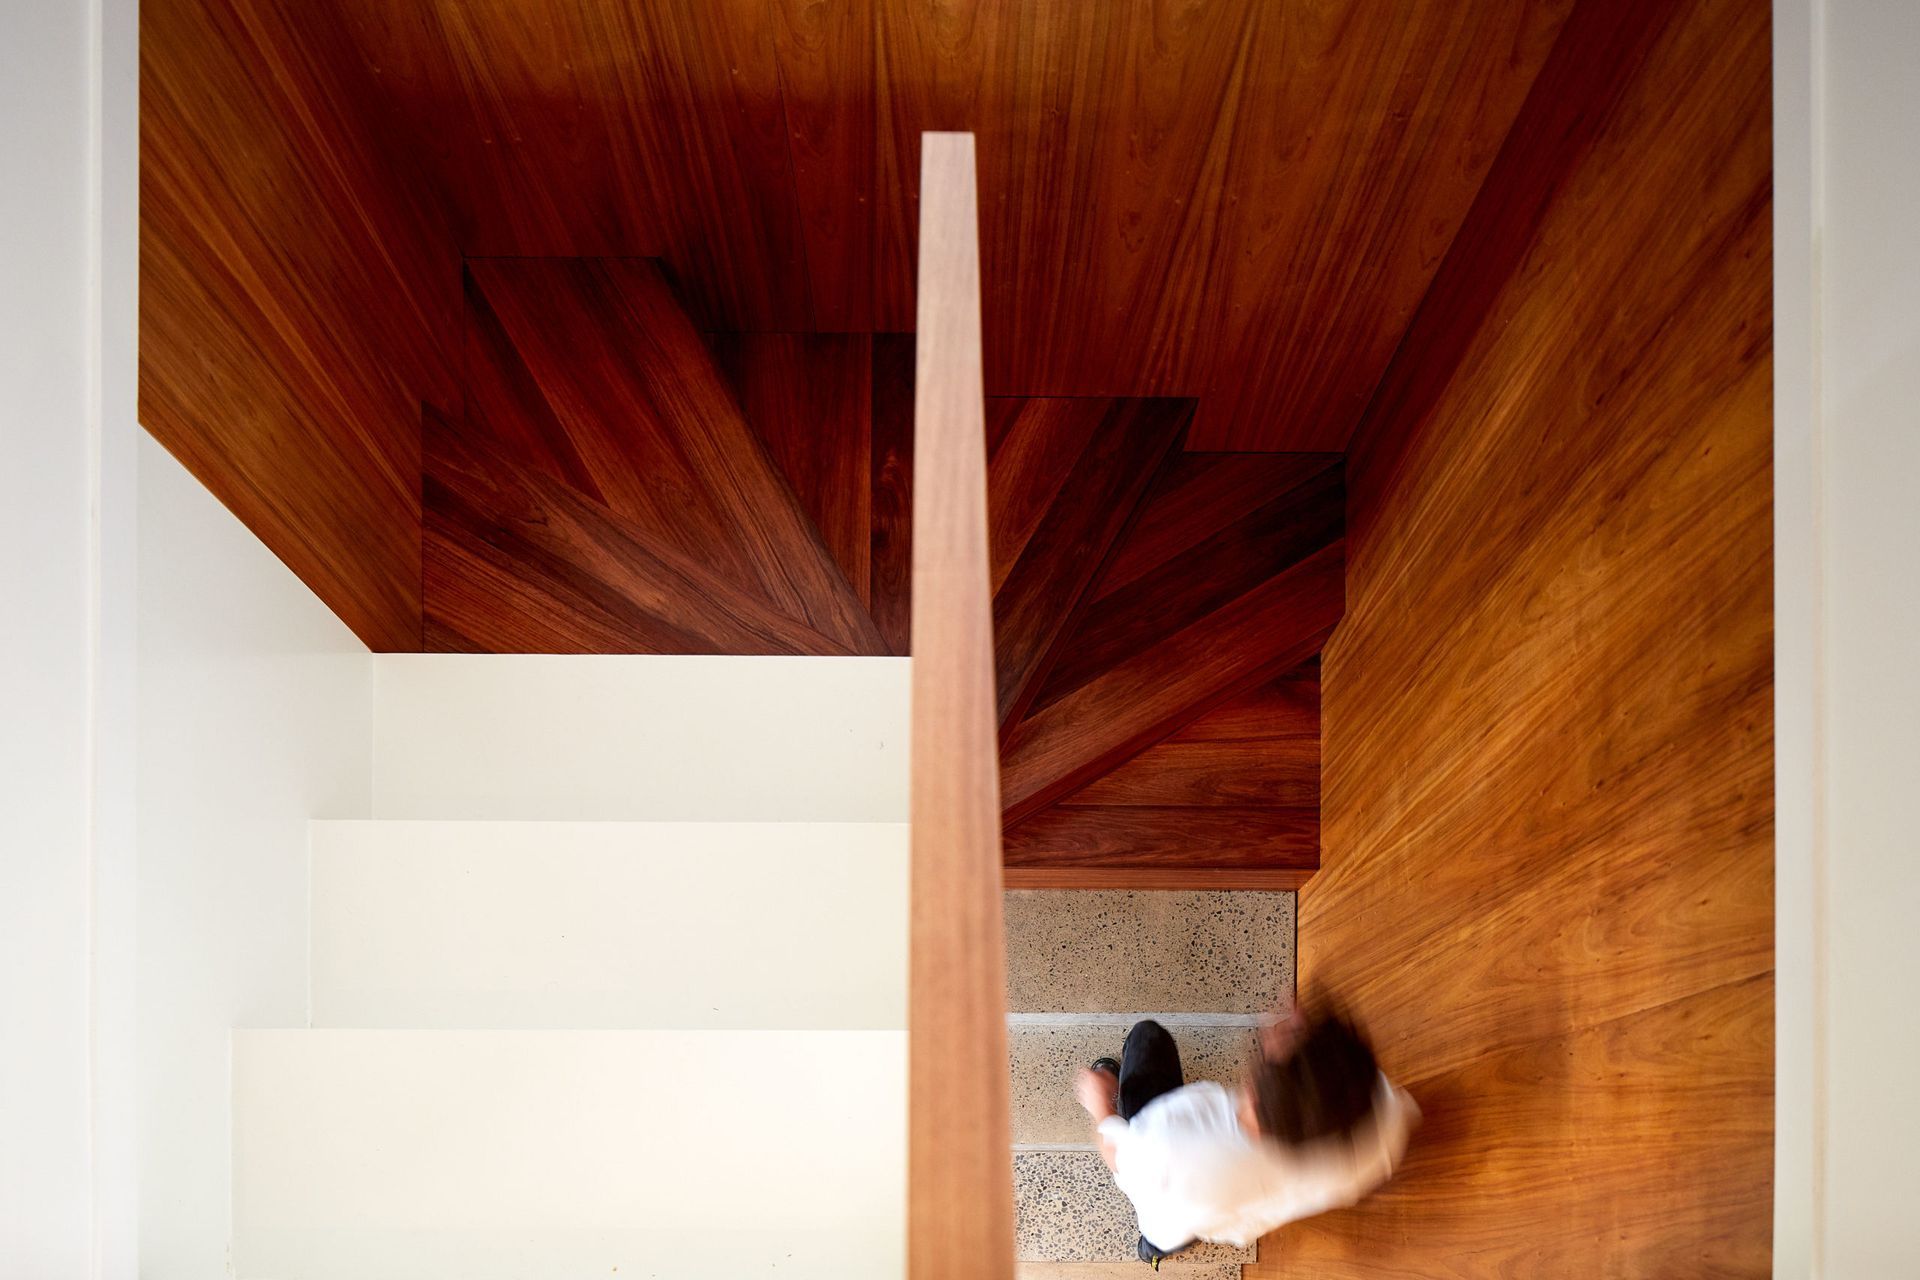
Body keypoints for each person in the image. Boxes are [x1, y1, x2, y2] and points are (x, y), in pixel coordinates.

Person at [1073, 1002, 1419, 1266]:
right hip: (1225, 1212)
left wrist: (1101, 1107)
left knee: (1146, 1037)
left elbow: (1119, 1156)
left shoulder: (1165, 1144)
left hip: (1175, 1210)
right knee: (1178, 1231)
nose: (1276, 1028)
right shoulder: (1381, 1121)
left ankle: (1152, 1249)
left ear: (1254, 1092)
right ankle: (1155, 1250)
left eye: (1286, 1038)